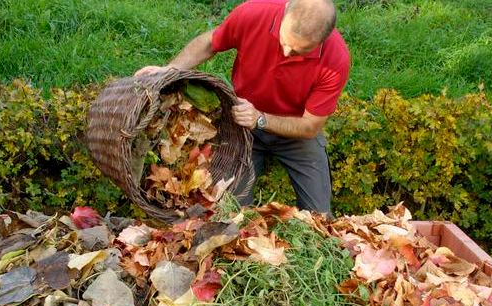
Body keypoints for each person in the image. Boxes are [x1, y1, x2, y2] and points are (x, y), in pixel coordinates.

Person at [136, 0, 350, 215]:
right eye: (284, 41)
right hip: (243, 123)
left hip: (297, 133)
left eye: (298, 51)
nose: (286, 52)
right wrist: (171, 69)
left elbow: (310, 126)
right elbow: (210, 42)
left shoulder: (335, 59)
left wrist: (260, 119)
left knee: (320, 216)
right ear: (284, 15)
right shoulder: (253, 13)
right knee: (232, 212)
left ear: (323, 40)